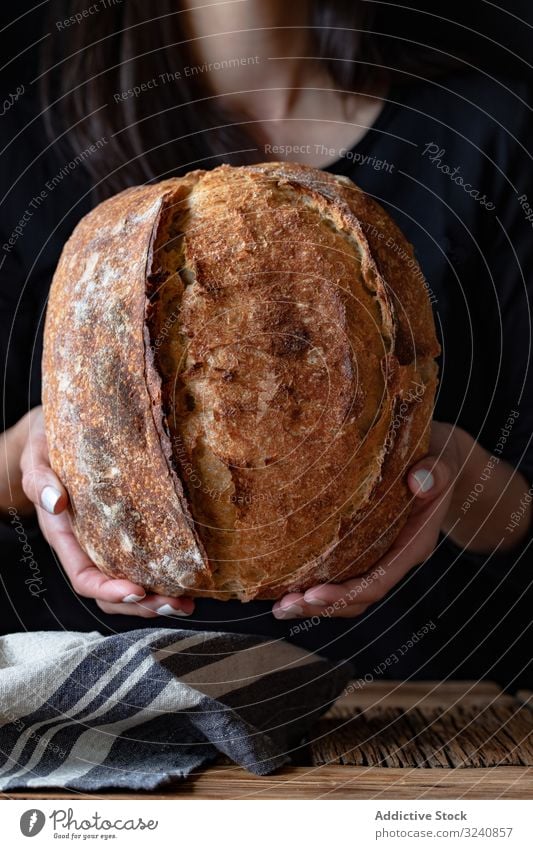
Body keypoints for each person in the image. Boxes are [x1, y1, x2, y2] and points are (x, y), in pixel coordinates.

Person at [1, 0, 532, 687]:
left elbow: (521, 502)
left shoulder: (489, 133)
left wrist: (444, 474)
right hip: (108, 716)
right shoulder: (20, 142)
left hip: (417, 712)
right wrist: (39, 453)